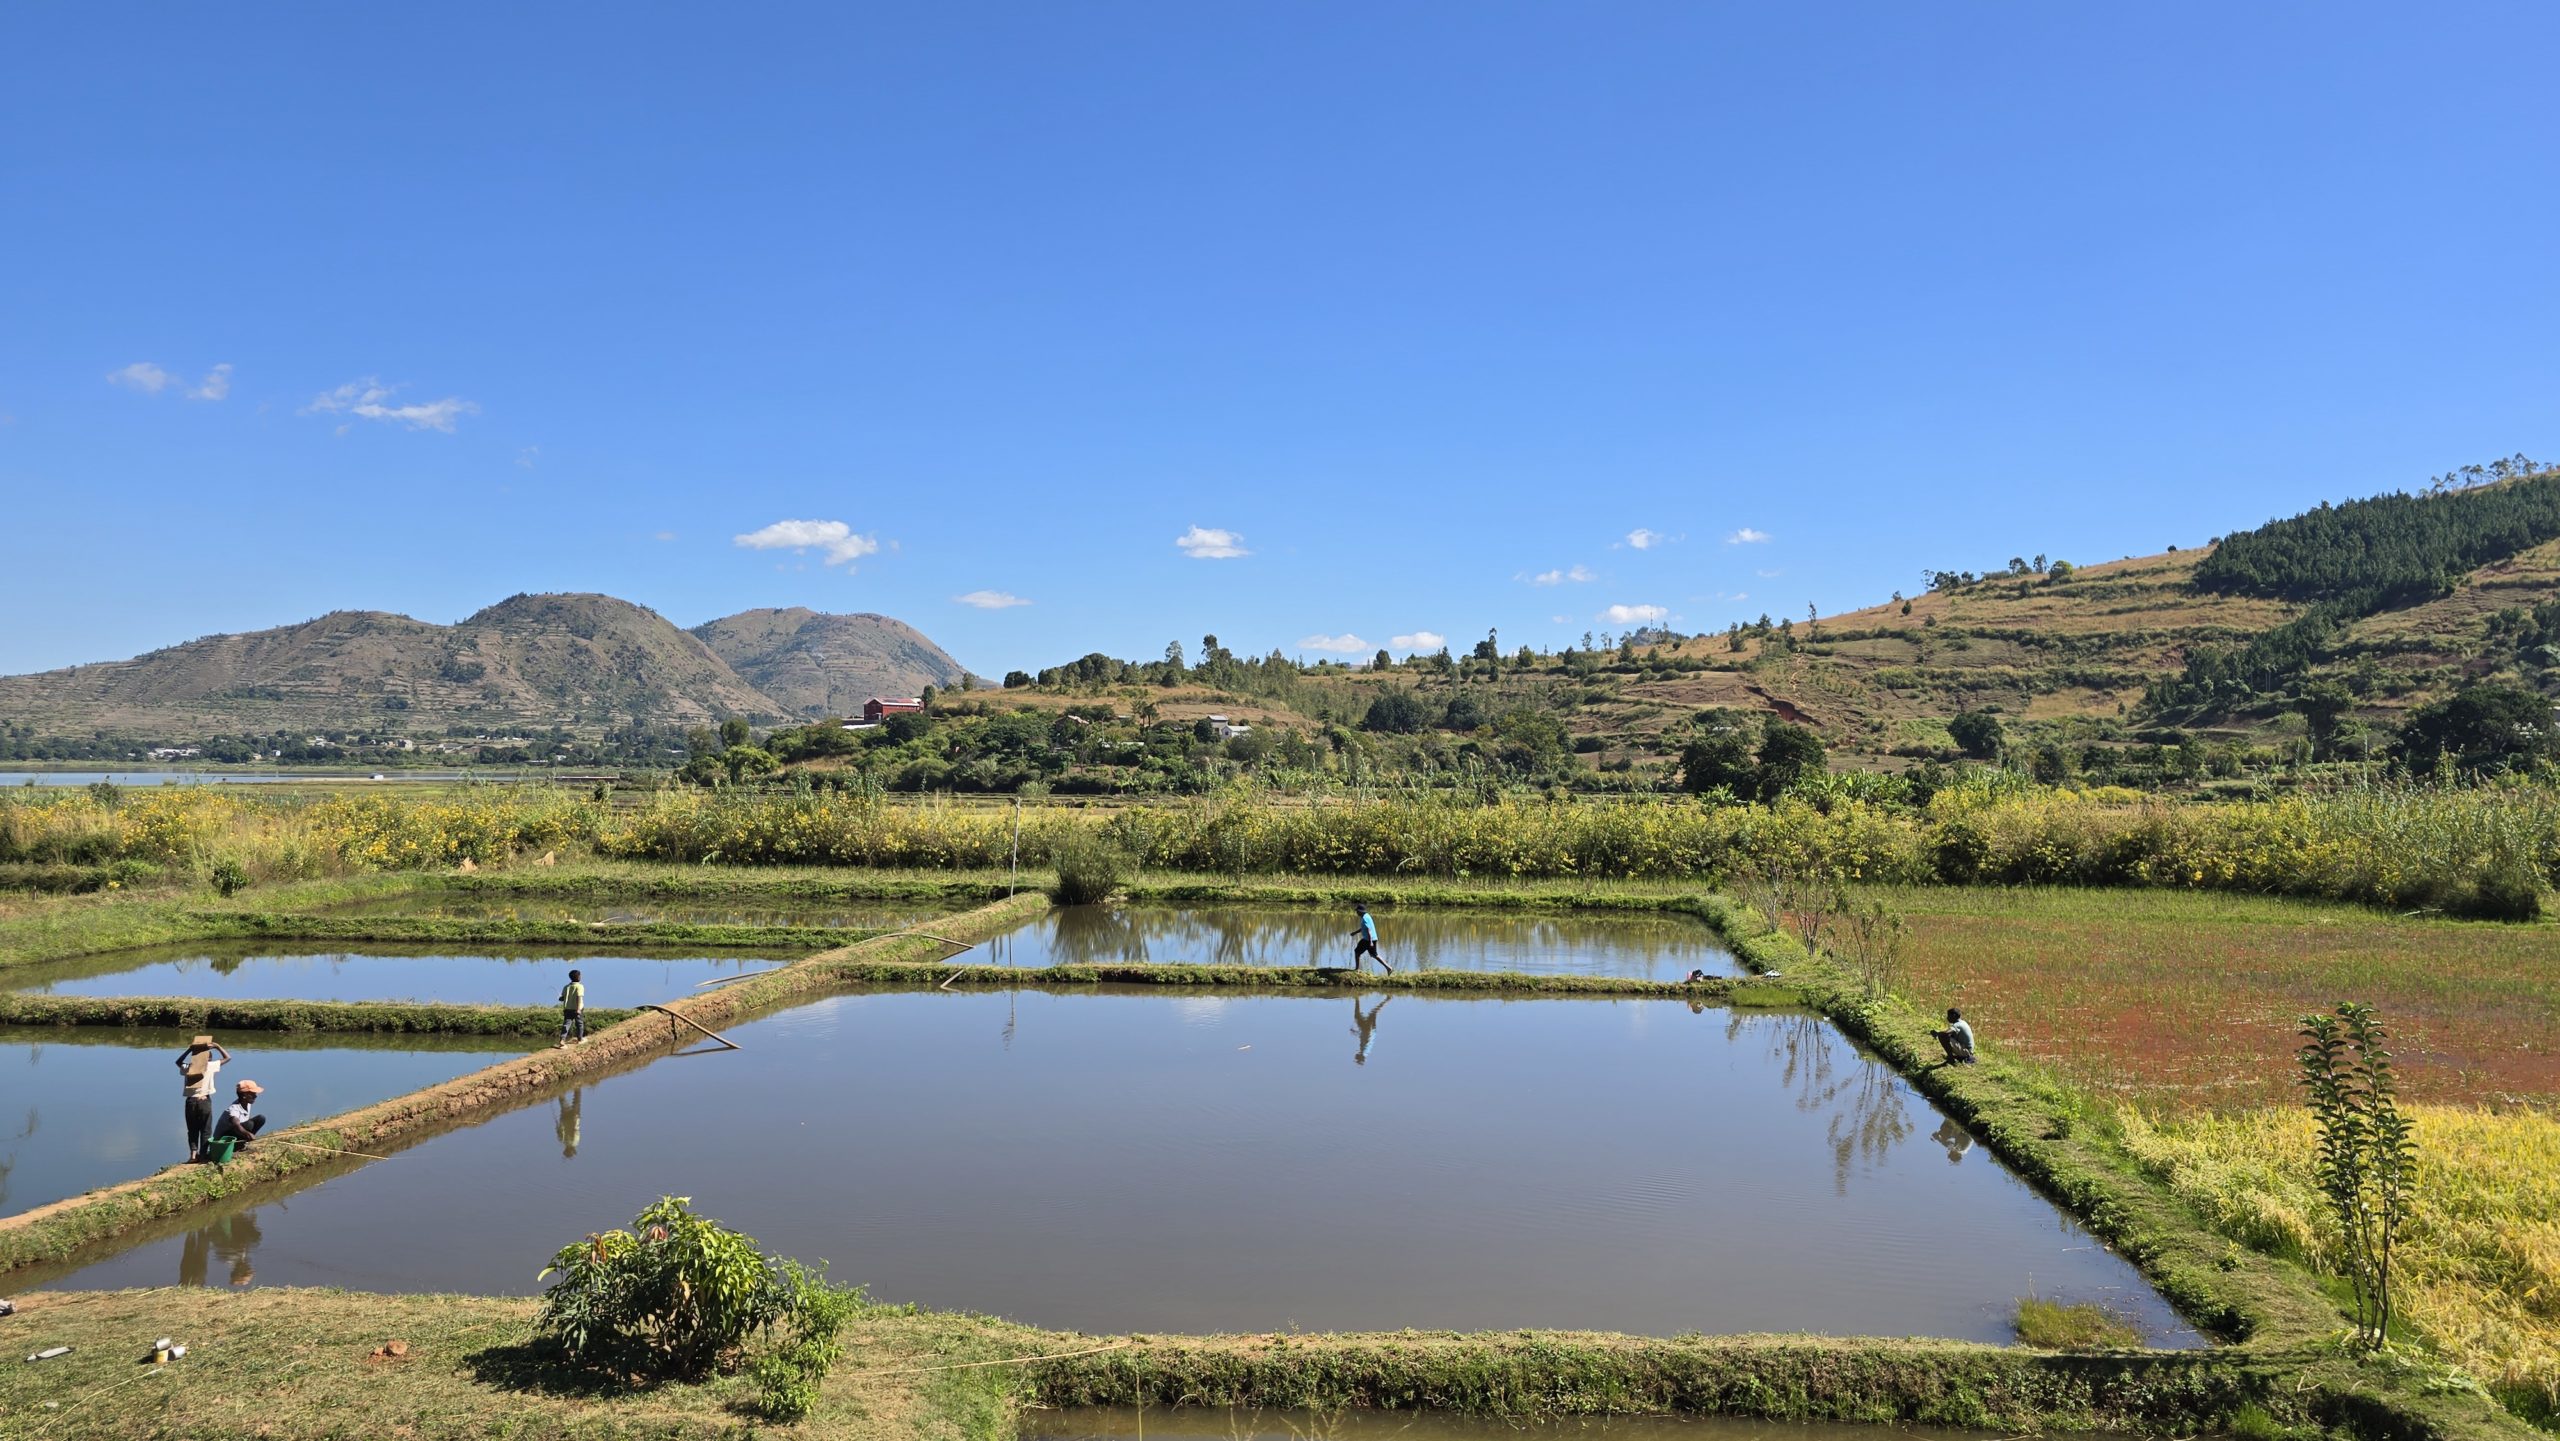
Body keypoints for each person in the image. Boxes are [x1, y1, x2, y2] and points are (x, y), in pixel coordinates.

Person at [176, 1035, 233, 1162]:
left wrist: (189, 1050)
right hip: (204, 1101)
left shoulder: (189, 1067)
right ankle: (203, 1155)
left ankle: (193, 1155)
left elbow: (178, 1062)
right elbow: (228, 1058)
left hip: (190, 1101)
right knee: (206, 1129)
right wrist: (217, 1046)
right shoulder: (210, 1066)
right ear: (209, 1058)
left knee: (192, 1129)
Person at [210, 1080, 267, 1150]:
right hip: (222, 1140)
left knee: (260, 1119)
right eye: (252, 1094)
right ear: (244, 1095)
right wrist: (247, 1134)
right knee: (249, 1124)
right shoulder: (234, 1109)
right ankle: (236, 1145)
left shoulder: (247, 1104)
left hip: (234, 1133)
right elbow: (236, 1124)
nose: (255, 1096)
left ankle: (243, 1142)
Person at [1349, 904, 1392, 974]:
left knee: (1357, 952)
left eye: (1357, 911)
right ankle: (1389, 968)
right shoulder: (1367, 916)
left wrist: (1370, 942)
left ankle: (1357, 969)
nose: (1356, 912)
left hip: (1368, 940)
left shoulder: (1365, 918)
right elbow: (1364, 928)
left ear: (1360, 911)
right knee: (1374, 955)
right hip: (1372, 938)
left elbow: (1369, 930)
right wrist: (1355, 932)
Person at [1351, 993, 1391, 1065]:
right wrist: (1368, 1026)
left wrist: (1356, 1032)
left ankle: (1357, 998)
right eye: (1357, 1058)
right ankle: (1387, 999)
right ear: (1360, 1057)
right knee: (1373, 1013)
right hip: (1369, 1030)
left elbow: (1362, 1037)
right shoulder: (1364, 1051)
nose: (1355, 1056)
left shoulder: (1363, 1051)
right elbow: (1367, 1036)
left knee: (1357, 1016)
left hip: (1367, 1030)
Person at [557, 968, 587, 1047]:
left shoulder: (566, 987)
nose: (580, 977)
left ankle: (562, 1040)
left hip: (567, 1009)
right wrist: (578, 1009)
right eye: (580, 976)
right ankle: (580, 1039)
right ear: (578, 977)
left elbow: (562, 998)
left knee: (566, 1024)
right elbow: (579, 998)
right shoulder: (580, 986)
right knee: (579, 1024)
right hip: (577, 1009)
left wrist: (561, 998)